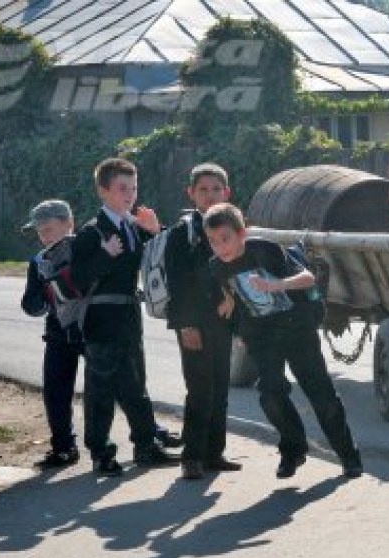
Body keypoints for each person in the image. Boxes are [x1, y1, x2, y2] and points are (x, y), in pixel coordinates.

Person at [203, 202, 363, 480]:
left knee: (321, 395)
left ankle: (348, 455)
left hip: (296, 328)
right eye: (213, 241)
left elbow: (307, 278)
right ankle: (294, 450)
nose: (220, 247)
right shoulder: (216, 266)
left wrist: (275, 285)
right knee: (270, 397)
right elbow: (230, 292)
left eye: (225, 239)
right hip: (262, 337)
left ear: (242, 234)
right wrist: (230, 312)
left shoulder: (265, 250)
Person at [71, 157, 180, 476]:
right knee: (101, 389)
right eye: (122, 188)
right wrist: (105, 256)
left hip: (130, 316)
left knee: (136, 386)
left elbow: (165, 258)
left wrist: (155, 230)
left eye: (134, 188)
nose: (130, 194)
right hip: (101, 320)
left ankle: (146, 446)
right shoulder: (91, 233)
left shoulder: (134, 228)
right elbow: (78, 280)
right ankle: (100, 452)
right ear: (103, 191)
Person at [163, 163, 241, 480]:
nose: (210, 196)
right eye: (203, 190)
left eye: (216, 189)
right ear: (191, 194)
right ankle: (192, 456)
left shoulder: (233, 229)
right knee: (199, 390)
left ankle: (213, 454)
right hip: (193, 324)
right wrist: (186, 326)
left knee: (221, 388)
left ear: (227, 193)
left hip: (223, 322)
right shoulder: (183, 233)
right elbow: (178, 285)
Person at [20, 200, 83, 469]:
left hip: (93, 329)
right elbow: (30, 303)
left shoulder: (87, 249)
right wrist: (43, 297)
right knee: (55, 391)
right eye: (39, 232)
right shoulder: (39, 262)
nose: (43, 236)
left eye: (48, 229)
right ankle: (63, 447)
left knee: (117, 385)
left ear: (69, 223)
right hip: (58, 333)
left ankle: (149, 434)